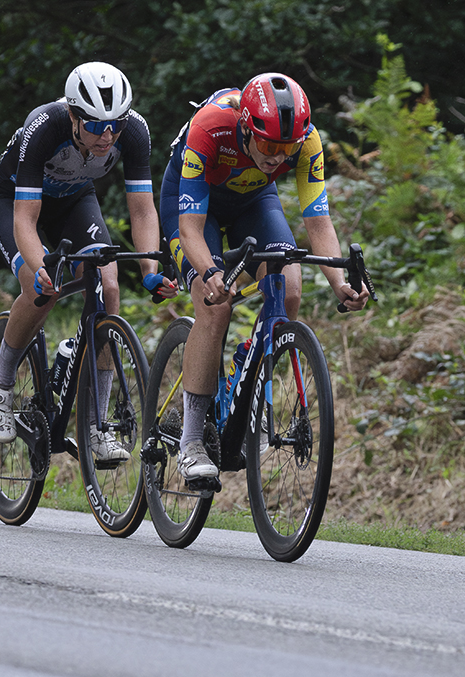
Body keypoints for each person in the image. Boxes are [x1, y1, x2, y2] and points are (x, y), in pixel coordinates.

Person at [158, 72, 368, 481]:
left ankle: (247, 369)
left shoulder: (307, 142)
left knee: (289, 289)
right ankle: (191, 441)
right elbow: (190, 229)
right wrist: (211, 271)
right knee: (214, 306)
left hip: (254, 201)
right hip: (194, 208)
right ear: (245, 126)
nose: (276, 156)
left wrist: (339, 283)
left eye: (285, 148)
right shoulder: (211, 127)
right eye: (269, 144)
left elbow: (318, 222)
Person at [0, 61, 178, 460]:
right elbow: (26, 218)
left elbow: (142, 211)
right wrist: (41, 270)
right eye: (94, 125)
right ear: (72, 115)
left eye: (115, 125)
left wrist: (150, 272)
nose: (107, 136)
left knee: (107, 289)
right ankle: (0, 382)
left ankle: (96, 426)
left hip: (74, 199)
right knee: (41, 290)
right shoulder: (44, 126)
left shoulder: (135, 131)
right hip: (16, 200)